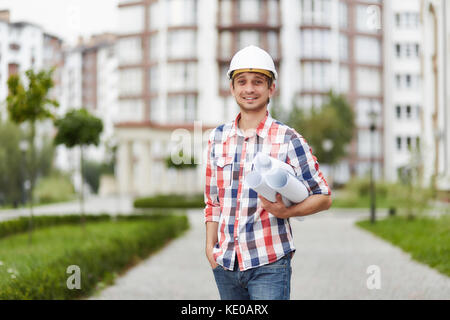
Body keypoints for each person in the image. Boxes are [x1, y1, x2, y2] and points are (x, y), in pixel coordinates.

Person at [204, 45, 332, 300]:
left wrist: (288, 212)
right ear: (232, 88)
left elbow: (324, 197)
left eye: (258, 82)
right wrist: (210, 249)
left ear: (271, 88)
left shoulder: (289, 139)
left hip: (270, 264)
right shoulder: (217, 138)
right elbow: (212, 202)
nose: (249, 89)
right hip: (226, 264)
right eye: (242, 81)